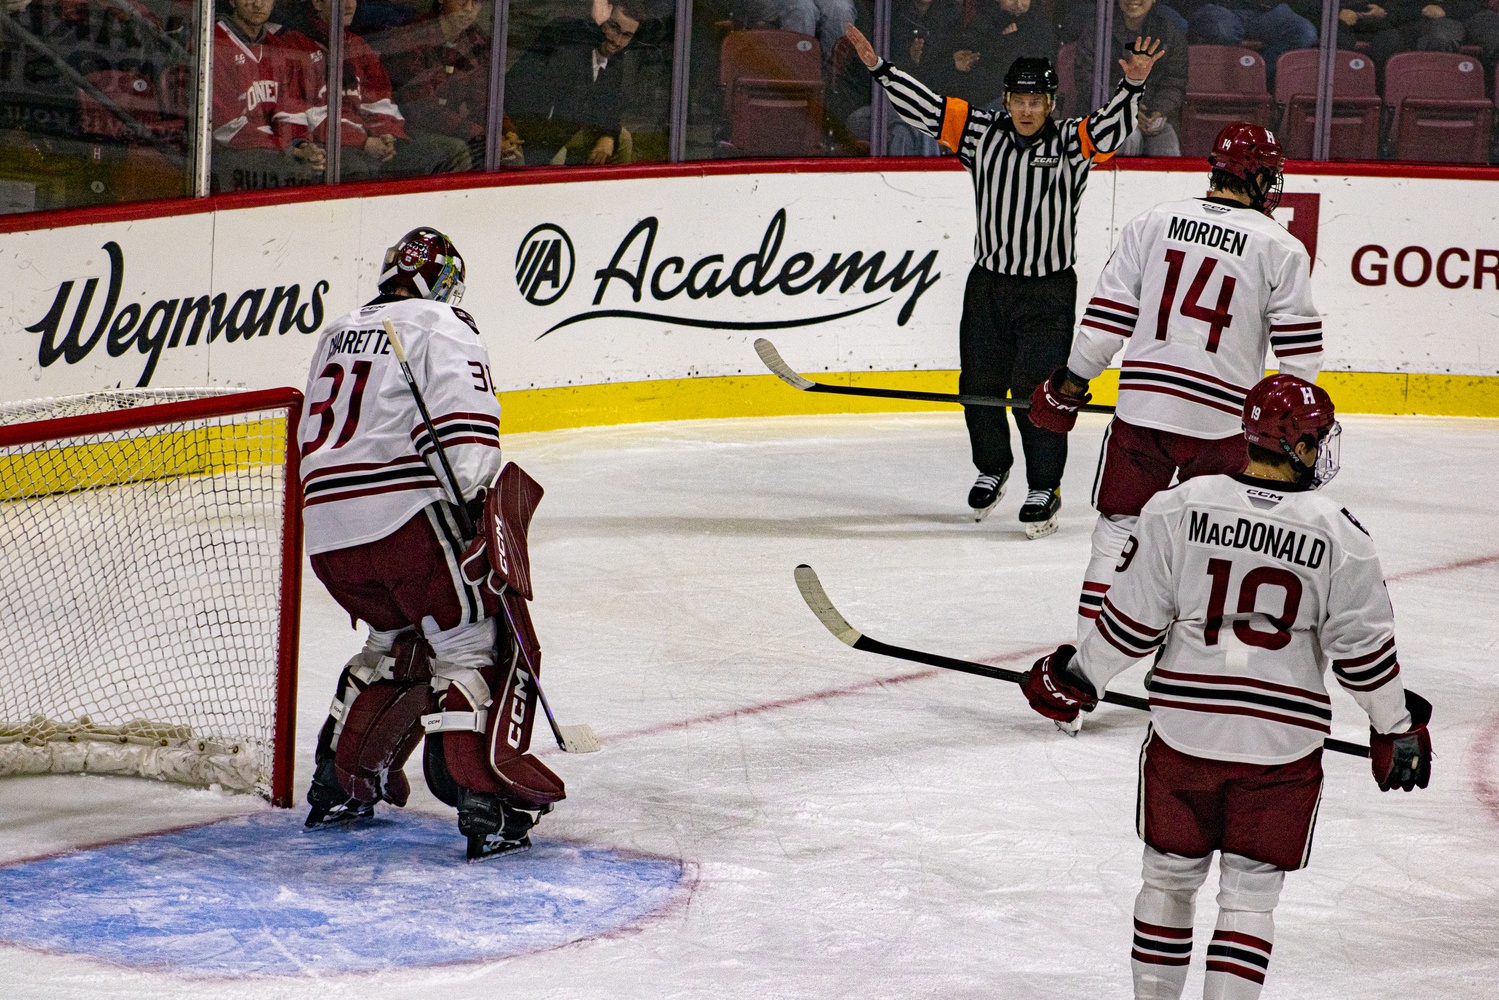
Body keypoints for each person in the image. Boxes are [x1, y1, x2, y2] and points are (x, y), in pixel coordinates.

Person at [1021, 373, 1433, 1000]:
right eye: (1316, 438)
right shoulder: (1340, 533)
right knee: (1249, 902)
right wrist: (1396, 727)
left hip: (1184, 734)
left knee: (1166, 880)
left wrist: (1078, 677)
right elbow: (1364, 659)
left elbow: (1129, 626)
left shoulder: (1179, 506)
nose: (1322, 450)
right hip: (1281, 748)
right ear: (1296, 444)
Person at [299, 227, 565, 860]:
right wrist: (479, 509)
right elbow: (465, 439)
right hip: (406, 516)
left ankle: (340, 783)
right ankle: (486, 801)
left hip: (328, 531)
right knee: (472, 639)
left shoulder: (337, 330)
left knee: (392, 643)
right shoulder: (444, 323)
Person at [845, 22, 1165, 537]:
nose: (1026, 110)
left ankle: (1045, 484)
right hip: (989, 286)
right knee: (978, 385)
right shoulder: (981, 133)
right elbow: (928, 108)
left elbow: (1112, 126)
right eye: (1019, 99)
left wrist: (1134, 85)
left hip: (1048, 291)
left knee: (1037, 392)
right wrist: (881, 70)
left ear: (1051, 103)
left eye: (1036, 101)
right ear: (1006, 99)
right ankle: (992, 467)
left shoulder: (1071, 141)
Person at [1028, 122, 1322, 636]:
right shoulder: (1282, 247)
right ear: (1255, 176)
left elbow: (1104, 321)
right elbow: (1299, 364)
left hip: (1142, 411)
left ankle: (1082, 667)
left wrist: (1070, 385)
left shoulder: (1153, 222)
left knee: (1118, 531)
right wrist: (1291, 437)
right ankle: (1183, 658)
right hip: (1221, 423)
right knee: (1208, 542)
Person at [281, 0, 470, 178]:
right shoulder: (295, 45)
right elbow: (303, 111)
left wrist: (387, 135)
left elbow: (379, 100)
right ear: (317, 2)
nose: (348, 5)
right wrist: (362, 142)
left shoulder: (356, 44)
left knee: (445, 153)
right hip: (330, 144)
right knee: (354, 168)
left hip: (367, 140)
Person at [504, 1, 642, 166]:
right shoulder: (565, 34)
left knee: (622, 139)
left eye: (626, 35)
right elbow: (553, 85)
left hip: (568, 129)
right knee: (558, 155)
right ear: (602, 17)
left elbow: (611, 102)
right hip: (531, 129)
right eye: (614, 27)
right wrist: (593, 25)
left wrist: (608, 136)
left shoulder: (615, 56)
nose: (617, 41)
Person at [210, 0, 325, 191]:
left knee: (319, 164)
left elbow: (290, 109)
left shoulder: (277, 47)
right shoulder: (213, 42)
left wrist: (302, 145)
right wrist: (288, 150)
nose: (258, 4)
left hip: (274, 151)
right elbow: (226, 127)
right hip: (229, 154)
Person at [374, 0, 491, 170]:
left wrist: (503, 132)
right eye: (462, 0)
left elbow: (483, 98)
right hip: (406, 130)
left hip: (453, 128)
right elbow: (420, 109)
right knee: (456, 150)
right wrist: (480, 135)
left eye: (477, 2)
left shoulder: (476, 40)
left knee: (508, 153)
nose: (469, 9)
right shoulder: (410, 37)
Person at [1076, 0, 1188, 157]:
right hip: (1108, 114)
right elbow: (1086, 79)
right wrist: (1126, 108)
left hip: (1150, 114)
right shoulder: (1098, 28)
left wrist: (1157, 111)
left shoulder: (1171, 33)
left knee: (1167, 143)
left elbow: (1175, 81)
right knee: (1128, 136)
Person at [924, 0, 1058, 110]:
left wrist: (1014, 45)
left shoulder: (1039, 27)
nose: (1019, 4)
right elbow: (969, 70)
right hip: (983, 101)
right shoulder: (982, 22)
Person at [1188, 1, 1318, 84]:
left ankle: (1254, 78)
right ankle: (1228, 82)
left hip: (1268, 11)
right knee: (1222, 30)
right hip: (1223, 8)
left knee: (1305, 33)